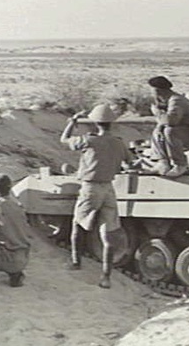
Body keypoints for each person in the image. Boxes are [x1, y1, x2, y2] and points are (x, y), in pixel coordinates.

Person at [60, 104, 132, 288]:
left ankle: (76, 262)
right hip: (109, 188)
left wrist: (72, 122)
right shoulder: (118, 142)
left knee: (77, 223)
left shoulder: (88, 140)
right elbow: (130, 163)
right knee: (108, 234)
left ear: (95, 123)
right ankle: (106, 277)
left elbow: (64, 139)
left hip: (90, 187)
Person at [147, 76, 189, 178]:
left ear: (158, 90)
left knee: (170, 131)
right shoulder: (169, 100)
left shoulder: (177, 101)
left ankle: (180, 164)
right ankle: (163, 162)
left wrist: (157, 113)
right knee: (158, 130)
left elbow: (172, 121)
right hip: (185, 136)